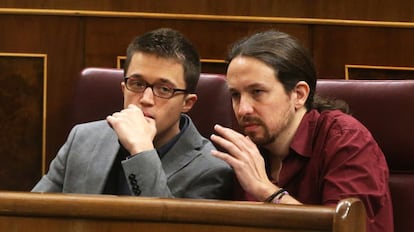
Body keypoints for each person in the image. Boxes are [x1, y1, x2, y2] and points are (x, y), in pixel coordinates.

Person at [210, 30, 393, 231]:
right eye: (236, 95)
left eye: (257, 92)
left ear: (299, 94)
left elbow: (346, 228)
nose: (243, 109)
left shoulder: (347, 141)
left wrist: (268, 192)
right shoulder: (242, 148)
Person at [32, 28, 233, 199]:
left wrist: (142, 151)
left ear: (187, 103)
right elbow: (33, 215)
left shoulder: (210, 169)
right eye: (137, 84)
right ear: (123, 89)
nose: (145, 99)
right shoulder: (83, 138)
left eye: (164, 89)